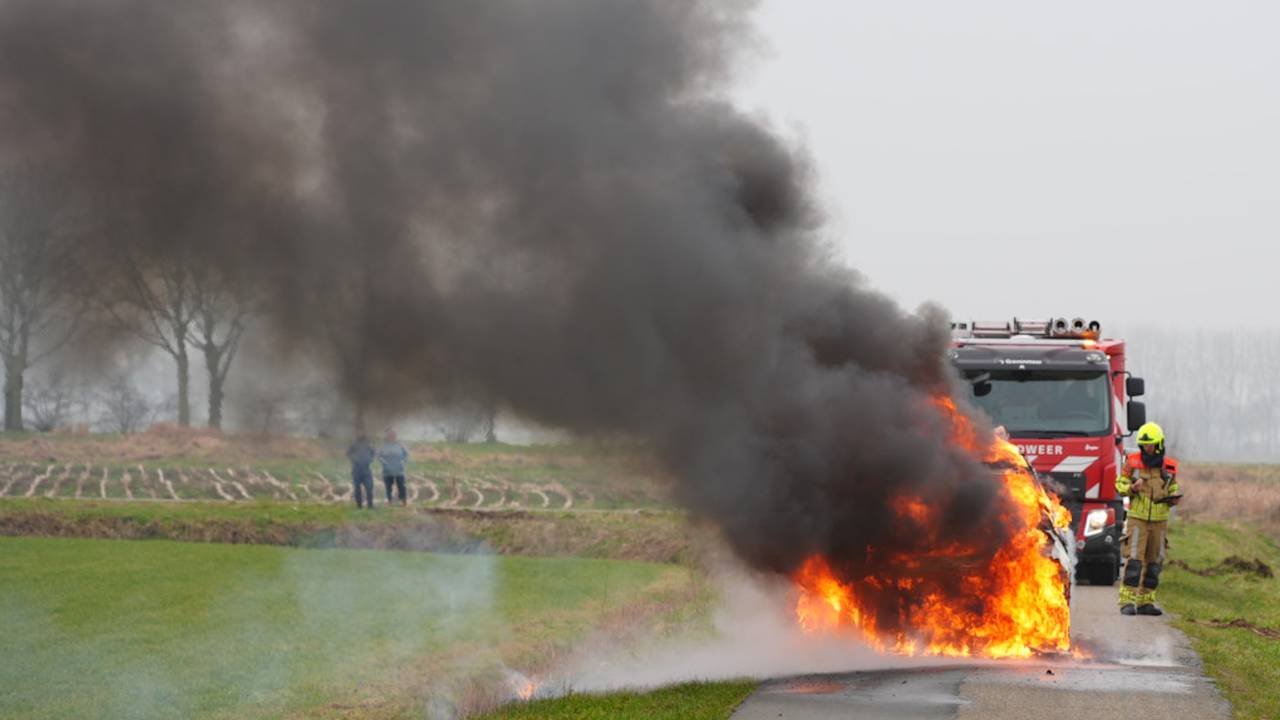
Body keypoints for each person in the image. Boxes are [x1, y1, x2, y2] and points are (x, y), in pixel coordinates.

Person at [1116, 422, 1182, 616]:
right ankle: (1127, 602)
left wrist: (1174, 497)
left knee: (1155, 563)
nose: (1147, 448)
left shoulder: (1169, 467)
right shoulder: (1132, 462)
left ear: (1159, 444)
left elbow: (1172, 487)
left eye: (1151, 445)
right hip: (1138, 519)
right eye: (1144, 445)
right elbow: (1120, 483)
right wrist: (1130, 489)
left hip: (1160, 521)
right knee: (1134, 561)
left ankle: (1146, 602)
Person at [378, 429, 409, 506]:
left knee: (401, 486)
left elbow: (406, 454)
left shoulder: (400, 445)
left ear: (395, 436)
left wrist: (403, 461)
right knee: (388, 487)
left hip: (399, 469)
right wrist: (384, 463)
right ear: (387, 437)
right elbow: (379, 456)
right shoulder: (383, 446)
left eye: (393, 435)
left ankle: (403, 501)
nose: (392, 437)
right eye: (390, 435)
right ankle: (390, 501)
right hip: (387, 470)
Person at [346, 433, 377, 509]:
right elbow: (348, 453)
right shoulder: (353, 445)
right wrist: (354, 459)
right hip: (356, 470)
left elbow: (374, 453)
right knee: (357, 489)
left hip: (366, 469)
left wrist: (370, 460)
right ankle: (359, 506)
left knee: (369, 487)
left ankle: (370, 505)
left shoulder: (368, 445)